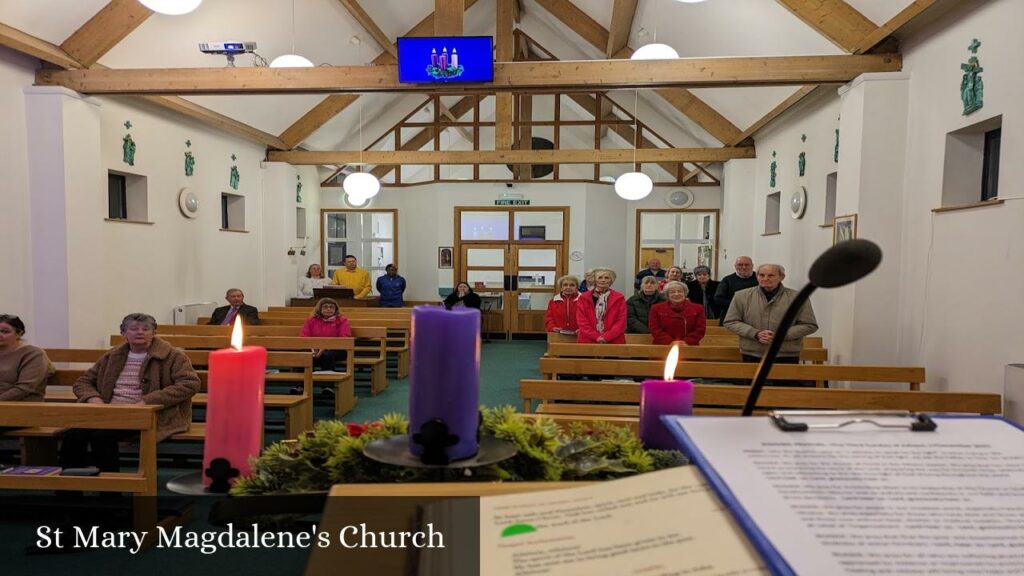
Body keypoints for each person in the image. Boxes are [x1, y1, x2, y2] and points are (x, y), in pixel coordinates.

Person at [61, 313, 200, 471]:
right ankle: (70, 489)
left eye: (145, 329)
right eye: (133, 329)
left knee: (101, 436)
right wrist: (93, 399)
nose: (140, 332)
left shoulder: (173, 356)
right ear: (123, 333)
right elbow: (83, 382)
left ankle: (112, 490)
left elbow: (190, 383)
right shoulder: (113, 355)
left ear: (154, 333)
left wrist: (148, 401)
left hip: (150, 414)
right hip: (108, 412)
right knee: (73, 435)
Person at [723, 264, 818, 363]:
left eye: (771, 275)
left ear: (782, 277)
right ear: (757, 276)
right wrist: (755, 333)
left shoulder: (798, 297)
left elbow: (809, 325)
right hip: (752, 352)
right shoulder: (741, 296)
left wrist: (781, 335)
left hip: (786, 353)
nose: (765, 278)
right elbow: (731, 321)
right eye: (761, 275)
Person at [0, 314, 54, 401]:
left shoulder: (33, 354)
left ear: (19, 334)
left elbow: (24, 388)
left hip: (22, 406)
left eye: (5, 332)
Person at [299, 298, 352, 376]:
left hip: (336, 349)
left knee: (328, 355)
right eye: (325, 307)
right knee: (303, 354)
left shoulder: (342, 320)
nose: (328, 309)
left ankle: (327, 385)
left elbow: (344, 338)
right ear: (319, 308)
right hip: (314, 348)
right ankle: (301, 384)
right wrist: (313, 348)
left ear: (336, 309)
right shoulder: (311, 320)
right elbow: (304, 336)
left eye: (331, 307)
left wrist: (326, 347)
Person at [576, 268, 626, 344]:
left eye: (606, 278)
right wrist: (596, 336)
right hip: (588, 339)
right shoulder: (584, 298)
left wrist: (606, 337)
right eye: (600, 277)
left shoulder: (619, 298)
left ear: (611, 280)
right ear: (595, 280)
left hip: (613, 340)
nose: (603, 280)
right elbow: (582, 321)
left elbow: (621, 321)